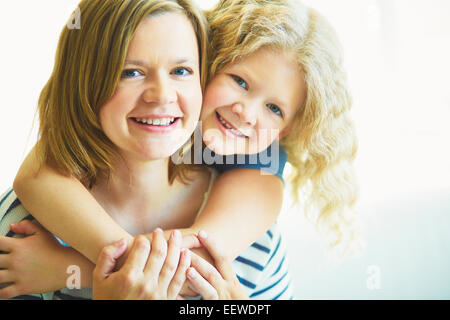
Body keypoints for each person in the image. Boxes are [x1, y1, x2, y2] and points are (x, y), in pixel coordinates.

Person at [0, 0, 360, 300]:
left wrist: (71, 269)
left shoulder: (257, 198)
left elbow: (189, 266)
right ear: (211, 66)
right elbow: (38, 172)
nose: (246, 113)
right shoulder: (29, 229)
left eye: (275, 108)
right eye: (239, 81)